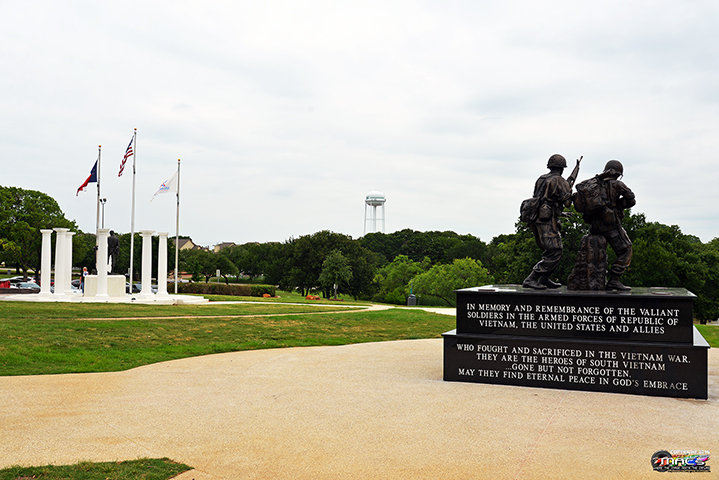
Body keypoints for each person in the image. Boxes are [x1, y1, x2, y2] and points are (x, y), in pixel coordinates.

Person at [582, 160, 636, 290]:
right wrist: (619, 205)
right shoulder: (617, 184)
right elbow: (631, 199)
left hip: (594, 226)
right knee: (626, 249)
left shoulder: (594, 184)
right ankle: (614, 280)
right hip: (609, 224)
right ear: (618, 174)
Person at [523, 154, 574, 290]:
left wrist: (560, 213)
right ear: (562, 168)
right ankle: (531, 278)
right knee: (555, 250)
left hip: (537, 218)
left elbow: (543, 199)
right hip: (546, 220)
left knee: (554, 250)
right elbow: (567, 203)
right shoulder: (559, 180)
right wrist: (570, 191)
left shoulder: (541, 178)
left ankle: (544, 278)